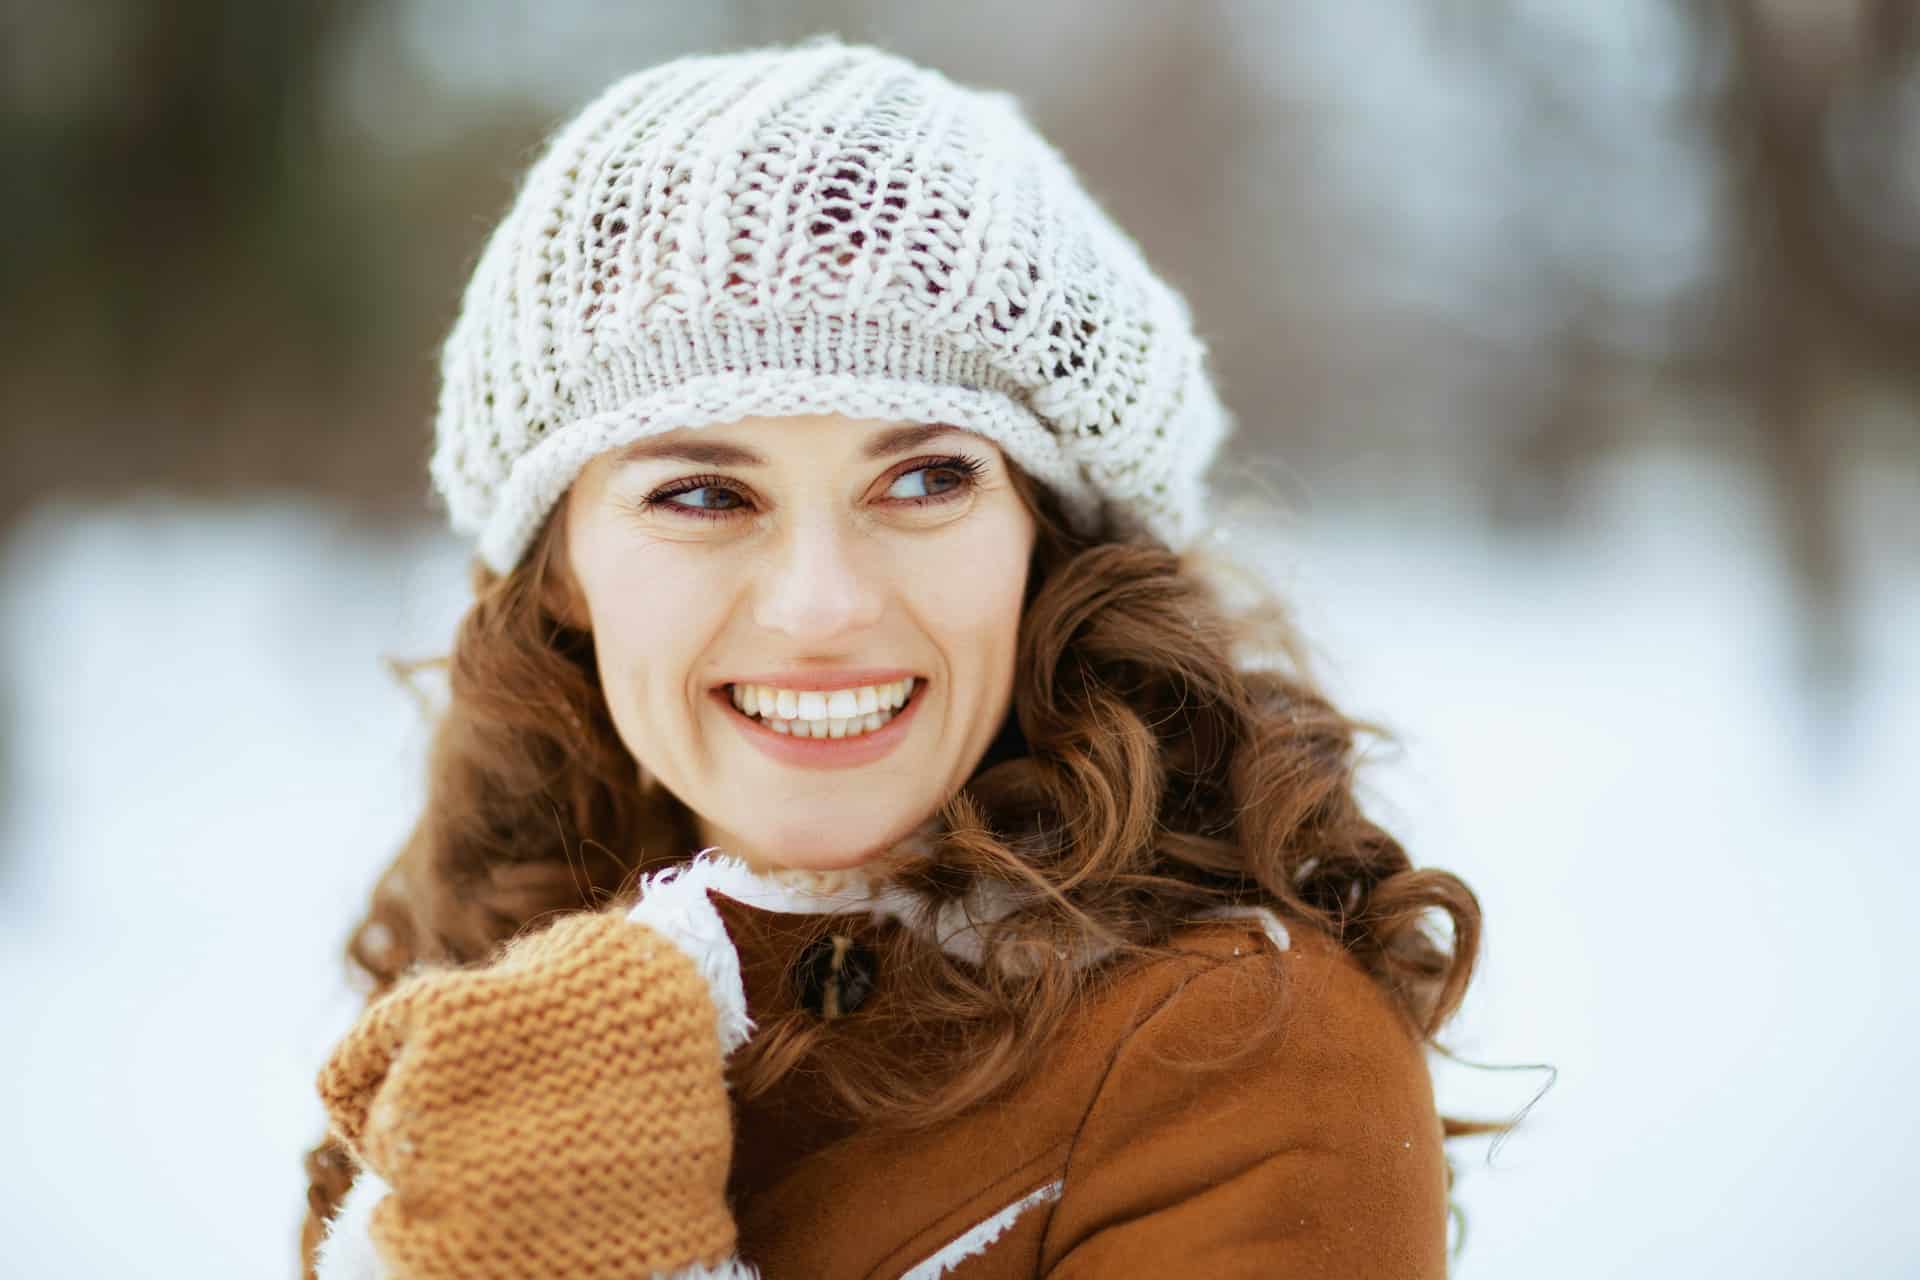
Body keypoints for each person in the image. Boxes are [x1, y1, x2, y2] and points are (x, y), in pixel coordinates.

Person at [299, 36, 1488, 1279]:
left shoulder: (1238, 1050)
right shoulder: (480, 972)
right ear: (563, 568)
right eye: (704, 493)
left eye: (925, 478)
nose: (823, 606)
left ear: (1050, 535)